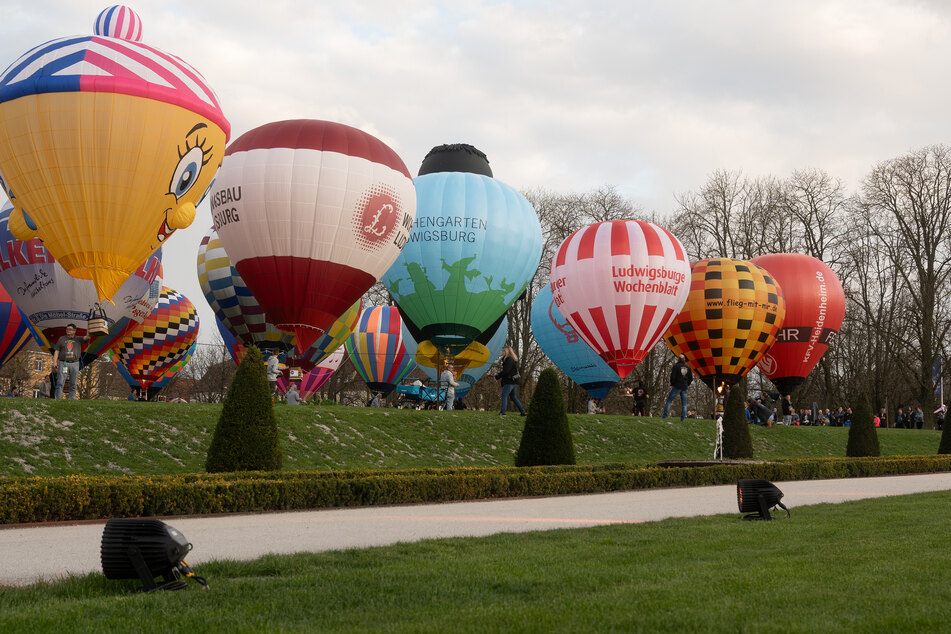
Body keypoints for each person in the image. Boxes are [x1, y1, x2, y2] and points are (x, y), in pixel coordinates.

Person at [51, 323, 89, 400]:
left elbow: (88, 337)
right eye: (67, 329)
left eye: (70, 329)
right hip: (63, 363)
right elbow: (57, 351)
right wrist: (54, 362)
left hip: (75, 363)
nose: (68, 331)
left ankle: (72, 399)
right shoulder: (62, 339)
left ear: (74, 331)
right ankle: (57, 398)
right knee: (60, 381)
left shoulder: (78, 339)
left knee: (73, 383)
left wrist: (89, 328)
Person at [495, 345, 526, 416]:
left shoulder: (509, 359)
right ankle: (523, 412)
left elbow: (506, 371)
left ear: (506, 351)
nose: (501, 352)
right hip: (513, 381)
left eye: (503, 351)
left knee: (504, 395)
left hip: (509, 381)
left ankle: (503, 412)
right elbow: (506, 370)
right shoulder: (509, 359)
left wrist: (497, 376)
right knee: (513, 397)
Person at [662, 354, 693, 421]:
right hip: (684, 387)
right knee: (684, 404)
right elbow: (691, 378)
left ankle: (665, 416)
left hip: (677, 386)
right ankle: (683, 419)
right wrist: (687, 384)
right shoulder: (688, 367)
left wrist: (673, 384)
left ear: (678, 359)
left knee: (669, 401)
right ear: (684, 359)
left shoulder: (676, 367)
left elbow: (673, 377)